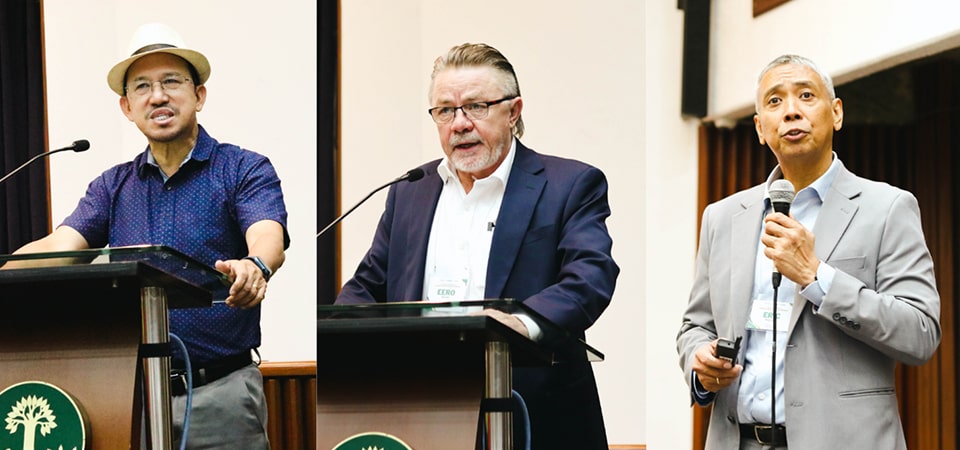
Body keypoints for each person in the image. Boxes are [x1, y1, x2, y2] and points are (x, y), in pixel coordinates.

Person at [9, 23, 289, 449]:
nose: (158, 96)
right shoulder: (112, 186)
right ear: (127, 107)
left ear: (199, 95)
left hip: (222, 393)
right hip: (131, 397)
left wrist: (255, 265)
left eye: (171, 82)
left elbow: (267, 232)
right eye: (142, 87)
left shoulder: (242, 168)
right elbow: (57, 247)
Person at [336, 43, 619, 449]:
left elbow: (589, 278)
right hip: (423, 414)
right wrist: (346, 343)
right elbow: (366, 288)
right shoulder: (410, 192)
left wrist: (517, 326)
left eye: (476, 107)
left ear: (514, 111)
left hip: (535, 415)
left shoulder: (569, 184)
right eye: (445, 111)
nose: (460, 124)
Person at [676, 54, 941, 449]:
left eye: (805, 95)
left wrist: (817, 276)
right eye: (774, 101)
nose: (791, 112)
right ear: (760, 129)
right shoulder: (723, 216)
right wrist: (701, 363)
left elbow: (920, 332)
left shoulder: (888, 208)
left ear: (836, 113)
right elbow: (696, 326)